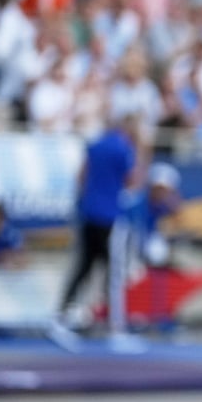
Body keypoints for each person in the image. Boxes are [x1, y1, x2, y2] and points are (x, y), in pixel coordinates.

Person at [49, 113, 140, 352]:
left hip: (89, 214)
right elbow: (132, 181)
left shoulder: (95, 145)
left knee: (83, 267)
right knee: (114, 274)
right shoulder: (124, 149)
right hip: (110, 217)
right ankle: (115, 328)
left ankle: (61, 318)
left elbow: (81, 177)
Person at [105, 161, 183, 347]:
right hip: (125, 245)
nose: (162, 192)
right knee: (123, 278)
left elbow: (177, 214)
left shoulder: (159, 204)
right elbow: (132, 234)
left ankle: (156, 316)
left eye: (166, 189)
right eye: (159, 188)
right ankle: (122, 322)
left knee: (164, 267)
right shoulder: (137, 203)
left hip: (138, 247)